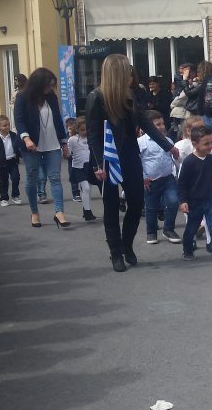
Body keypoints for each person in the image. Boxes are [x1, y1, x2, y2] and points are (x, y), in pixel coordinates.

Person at [87, 54, 180, 272]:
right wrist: (98, 164)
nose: (131, 74)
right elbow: (92, 135)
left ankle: (127, 245)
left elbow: (145, 122)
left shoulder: (129, 94)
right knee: (111, 207)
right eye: (127, 70)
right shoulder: (96, 97)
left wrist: (167, 145)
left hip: (129, 153)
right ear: (117, 73)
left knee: (137, 202)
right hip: (108, 157)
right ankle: (115, 253)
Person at [13, 67, 71, 229]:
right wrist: (26, 138)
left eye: (52, 85)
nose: (50, 88)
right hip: (31, 144)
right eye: (48, 85)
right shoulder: (22, 97)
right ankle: (34, 213)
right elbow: (19, 120)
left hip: (52, 143)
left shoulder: (51, 97)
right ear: (39, 83)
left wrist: (64, 143)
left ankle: (59, 212)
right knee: (32, 179)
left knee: (55, 177)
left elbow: (58, 120)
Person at [177, 125, 212, 265]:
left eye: (211, 142)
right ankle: (187, 249)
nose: (210, 146)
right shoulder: (189, 162)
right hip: (194, 202)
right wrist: (183, 201)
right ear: (195, 144)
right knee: (191, 228)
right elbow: (182, 184)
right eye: (206, 143)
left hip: (211, 200)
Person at [139, 110, 181, 245]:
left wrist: (176, 158)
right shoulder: (141, 142)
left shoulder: (168, 140)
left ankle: (168, 229)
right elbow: (138, 161)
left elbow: (173, 159)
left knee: (173, 202)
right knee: (151, 207)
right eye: (157, 125)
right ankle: (151, 232)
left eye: (162, 123)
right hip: (151, 180)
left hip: (168, 178)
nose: (162, 127)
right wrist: (143, 177)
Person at [0, 115, 22, 208]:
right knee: (3, 181)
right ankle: (4, 198)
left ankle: (15, 195)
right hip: (1, 163)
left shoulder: (14, 136)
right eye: (4, 125)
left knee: (16, 178)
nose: (7, 127)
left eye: (8, 125)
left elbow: (18, 147)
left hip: (12, 161)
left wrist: (22, 155)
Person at [67, 117, 97, 221]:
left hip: (89, 166)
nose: (84, 132)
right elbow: (68, 153)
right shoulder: (72, 140)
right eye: (82, 130)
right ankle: (87, 212)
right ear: (77, 129)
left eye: (86, 129)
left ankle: (86, 209)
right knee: (86, 188)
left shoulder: (91, 138)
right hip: (78, 167)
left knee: (88, 190)